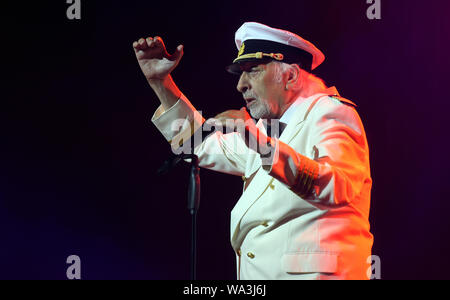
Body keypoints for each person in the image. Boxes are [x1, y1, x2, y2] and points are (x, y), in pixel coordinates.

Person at [133, 22, 374, 280]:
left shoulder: (330, 113)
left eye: (253, 71)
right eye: (240, 73)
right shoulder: (266, 130)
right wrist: (161, 83)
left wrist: (261, 144)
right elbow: (197, 145)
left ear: (290, 76)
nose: (240, 85)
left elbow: (339, 187)